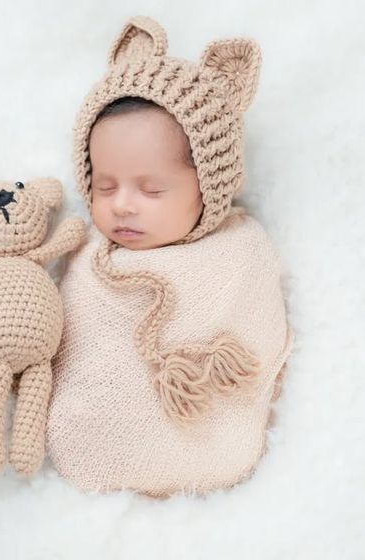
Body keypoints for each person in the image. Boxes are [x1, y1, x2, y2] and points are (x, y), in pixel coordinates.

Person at [45, 15, 294, 498]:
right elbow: (66, 340)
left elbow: (259, 334)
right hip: (90, 452)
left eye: (152, 189)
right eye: (104, 186)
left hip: (209, 440)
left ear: (209, 188)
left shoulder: (238, 252)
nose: (121, 205)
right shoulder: (85, 259)